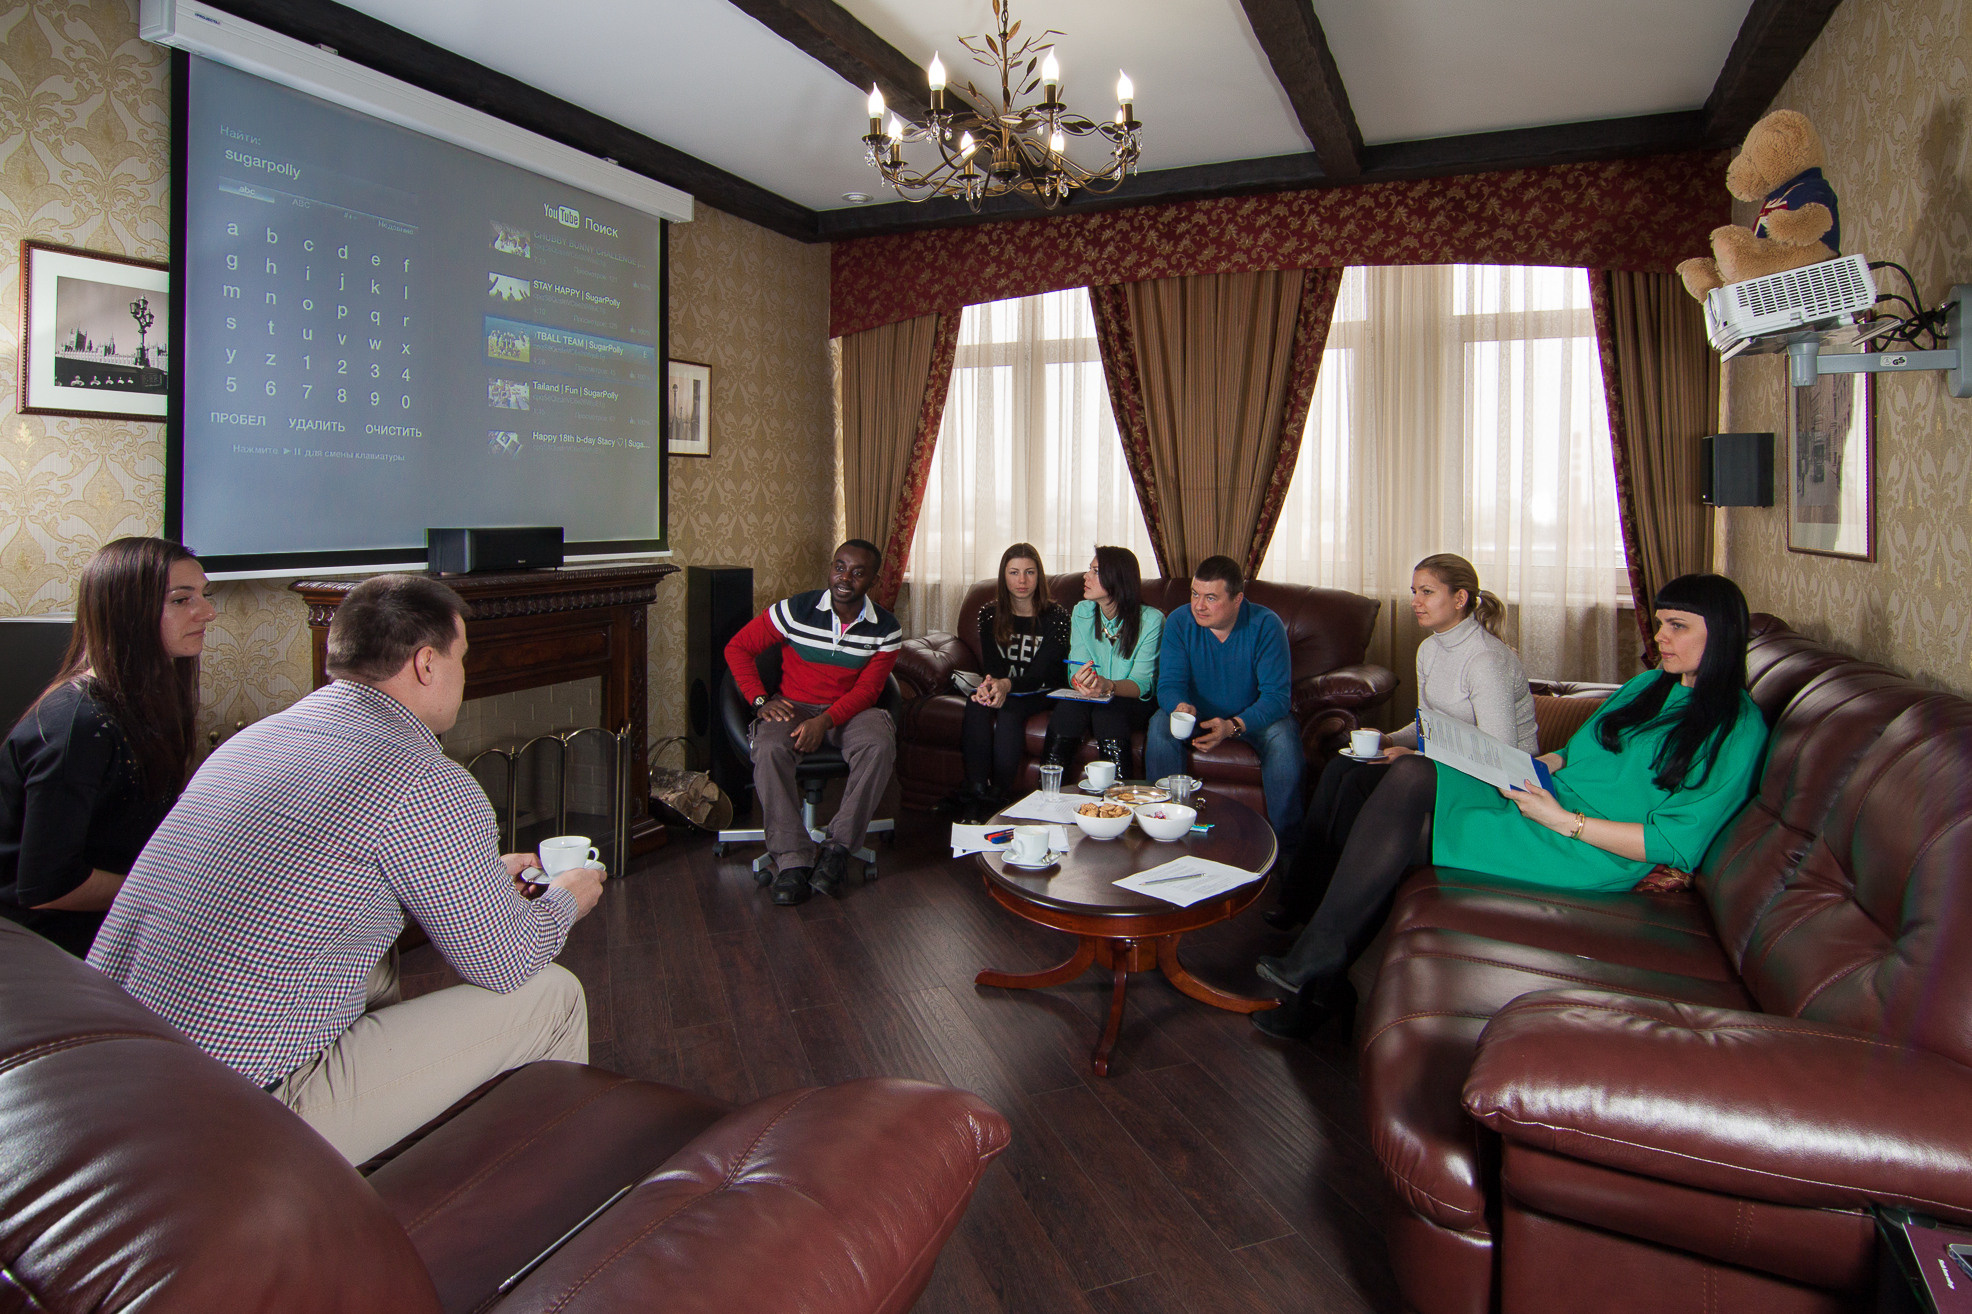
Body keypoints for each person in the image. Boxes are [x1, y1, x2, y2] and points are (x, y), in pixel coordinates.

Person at [89, 573, 604, 1164]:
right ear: (427, 664)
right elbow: (503, 963)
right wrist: (566, 897)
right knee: (552, 994)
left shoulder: (255, 739)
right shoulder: (425, 779)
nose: (466, 675)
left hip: (120, 1078)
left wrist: (477, 872)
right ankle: (544, 1195)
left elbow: (321, 877)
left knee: (376, 966)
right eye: (464, 658)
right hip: (230, 1118)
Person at [1253, 573, 1769, 1040]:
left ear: (1721, 633)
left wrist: (1563, 820)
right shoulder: (1649, 686)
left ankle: (1319, 972)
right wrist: (1529, 769)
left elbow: (1676, 844)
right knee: (1393, 773)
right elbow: (1575, 751)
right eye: (1660, 624)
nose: (1660, 637)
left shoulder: (1735, 728)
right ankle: (1321, 969)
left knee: (1405, 819)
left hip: (1583, 846)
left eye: (1678, 626)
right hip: (1542, 800)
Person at [1266, 554, 1537, 929]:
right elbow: (1429, 725)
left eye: (1427, 592)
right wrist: (1388, 739)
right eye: (1414, 592)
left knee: (1379, 776)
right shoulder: (1430, 649)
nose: (1415, 602)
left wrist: (1412, 752)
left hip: (1499, 781)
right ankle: (1300, 899)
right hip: (1451, 765)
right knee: (1344, 765)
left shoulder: (1484, 659)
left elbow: (1499, 750)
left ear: (1460, 599)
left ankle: (1330, 912)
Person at [0, 537, 214, 957]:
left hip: (110, 917)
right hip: (48, 942)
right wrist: (167, 888)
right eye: (181, 600)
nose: (207, 612)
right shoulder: (80, 725)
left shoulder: (150, 699)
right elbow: (47, 887)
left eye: (205, 596)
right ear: (127, 613)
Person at [726, 539, 901, 905]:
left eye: (857, 572)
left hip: (849, 710)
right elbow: (737, 648)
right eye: (839, 567)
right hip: (794, 705)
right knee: (771, 746)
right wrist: (760, 700)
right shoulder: (795, 610)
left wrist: (826, 720)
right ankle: (791, 859)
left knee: (879, 741)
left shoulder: (886, 628)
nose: (844, 578)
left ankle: (838, 851)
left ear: (873, 578)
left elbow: (868, 692)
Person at [1145, 555, 1302, 843]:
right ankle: (1163, 828)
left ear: (1238, 599)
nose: (1198, 605)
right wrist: (1179, 706)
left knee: (1283, 735)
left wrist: (1232, 726)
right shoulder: (1180, 621)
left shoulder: (1267, 625)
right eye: (1194, 594)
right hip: (1196, 716)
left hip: (1253, 718)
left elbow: (1277, 698)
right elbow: (1168, 685)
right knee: (1160, 724)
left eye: (1211, 598)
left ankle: (1286, 849)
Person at [939, 543, 1072, 822]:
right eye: (1014, 572)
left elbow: (1043, 672)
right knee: (976, 704)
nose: (1022, 581)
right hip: (1005, 685)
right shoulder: (990, 612)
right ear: (1004, 576)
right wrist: (989, 686)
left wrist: (1005, 687)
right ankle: (976, 792)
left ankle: (999, 794)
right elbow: (993, 665)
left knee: (1010, 712)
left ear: (1039, 576)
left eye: (1029, 572)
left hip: (1043, 690)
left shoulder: (1056, 617)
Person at [1043, 546, 1163, 781]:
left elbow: (1142, 684)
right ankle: (1047, 790)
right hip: (1092, 697)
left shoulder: (1151, 621)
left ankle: (1118, 797)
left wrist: (1107, 685)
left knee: (1108, 712)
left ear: (1117, 579)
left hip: (1131, 700)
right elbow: (1075, 669)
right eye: (1089, 569)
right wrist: (1083, 682)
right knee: (1068, 707)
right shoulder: (1082, 612)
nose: (1085, 576)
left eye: (1095, 571)